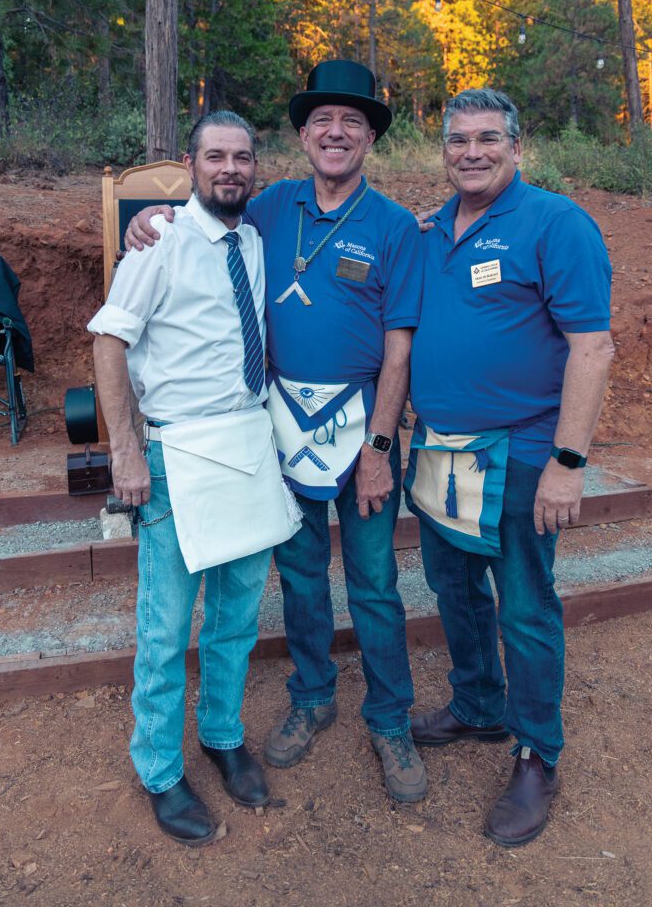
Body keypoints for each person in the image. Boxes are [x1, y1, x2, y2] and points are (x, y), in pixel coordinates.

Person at [126, 60, 427, 803]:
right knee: (297, 578)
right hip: (276, 433)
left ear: (367, 140)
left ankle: (389, 721)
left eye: (351, 122)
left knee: (376, 584)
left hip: (361, 432)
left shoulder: (392, 226)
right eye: (322, 120)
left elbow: (399, 350)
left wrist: (381, 450)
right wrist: (148, 216)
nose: (335, 132)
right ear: (300, 136)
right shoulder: (267, 207)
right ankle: (311, 697)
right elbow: (201, 216)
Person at [406, 88, 614, 847]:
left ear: (516, 147)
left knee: (524, 605)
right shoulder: (430, 230)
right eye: (457, 139)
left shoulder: (555, 224)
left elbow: (591, 346)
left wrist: (566, 461)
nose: (471, 151)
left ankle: (536, 753)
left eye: (487, 138)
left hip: (520, 454)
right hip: (438, 448)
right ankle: (477, 705)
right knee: (453, 587)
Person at [88, 111, 297, 848]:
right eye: (216, 157)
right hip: (178, 458)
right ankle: (158, 771)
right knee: (166, 627)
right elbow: (109, 342)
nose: (230, 169)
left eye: (242, 157)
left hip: (247, 446)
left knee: (237, 616)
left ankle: (221, 734)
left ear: (254, 167)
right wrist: (126, 452)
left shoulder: (257, 239)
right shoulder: (161, 242)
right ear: (191, 163)